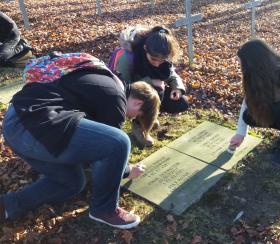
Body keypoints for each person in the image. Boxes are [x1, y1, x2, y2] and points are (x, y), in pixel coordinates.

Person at [0, 54, 160, 229]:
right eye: (136, 117)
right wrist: (127, 171)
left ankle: (7, 206)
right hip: (32, 125)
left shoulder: (104, 78)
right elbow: (107, 151)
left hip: (15, 124)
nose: (130, 118)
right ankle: (104, 209)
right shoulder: (116, 98)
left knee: (73, 183)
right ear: (137, 103)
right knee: (119, 142)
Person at [109, 25, 189, 146]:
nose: (157, 64)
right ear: (145, 48)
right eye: (153, 59)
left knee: (181, 102)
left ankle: (151, 116)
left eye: (161, 61)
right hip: (133, 96)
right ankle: (140, 127)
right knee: (156, 89)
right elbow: (122, 86)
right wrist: (150, 81)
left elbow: (171, 74)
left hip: (153, 93)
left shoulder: (162, 54)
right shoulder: (128, 57)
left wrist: (176, 88)